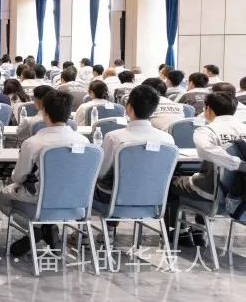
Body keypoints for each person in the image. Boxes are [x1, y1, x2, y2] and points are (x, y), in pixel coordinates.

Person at [0, 90, 90, 257]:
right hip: (76, 201)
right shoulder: (84, 142)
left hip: (39, 198)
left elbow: (18, 177)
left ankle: (36, 228)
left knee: (1, 196)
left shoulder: (33, 143)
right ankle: (46, 227)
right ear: (69, 113)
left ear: (44, 112)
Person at [165, 92, 246, 247]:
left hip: (214, 196)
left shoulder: (207, 130)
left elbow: (205, 152)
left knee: (170, 183)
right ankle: (199, 230)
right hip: (240, 198)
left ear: (208, 109)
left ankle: (180, 232)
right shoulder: (244, 128)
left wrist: (237, 164)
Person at [93, 85, 175, 203]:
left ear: (129, 108)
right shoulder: (167, 140)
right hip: (153, 197)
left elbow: (101, 172)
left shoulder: (114, 137)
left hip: (114, 197)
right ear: (154, 110)